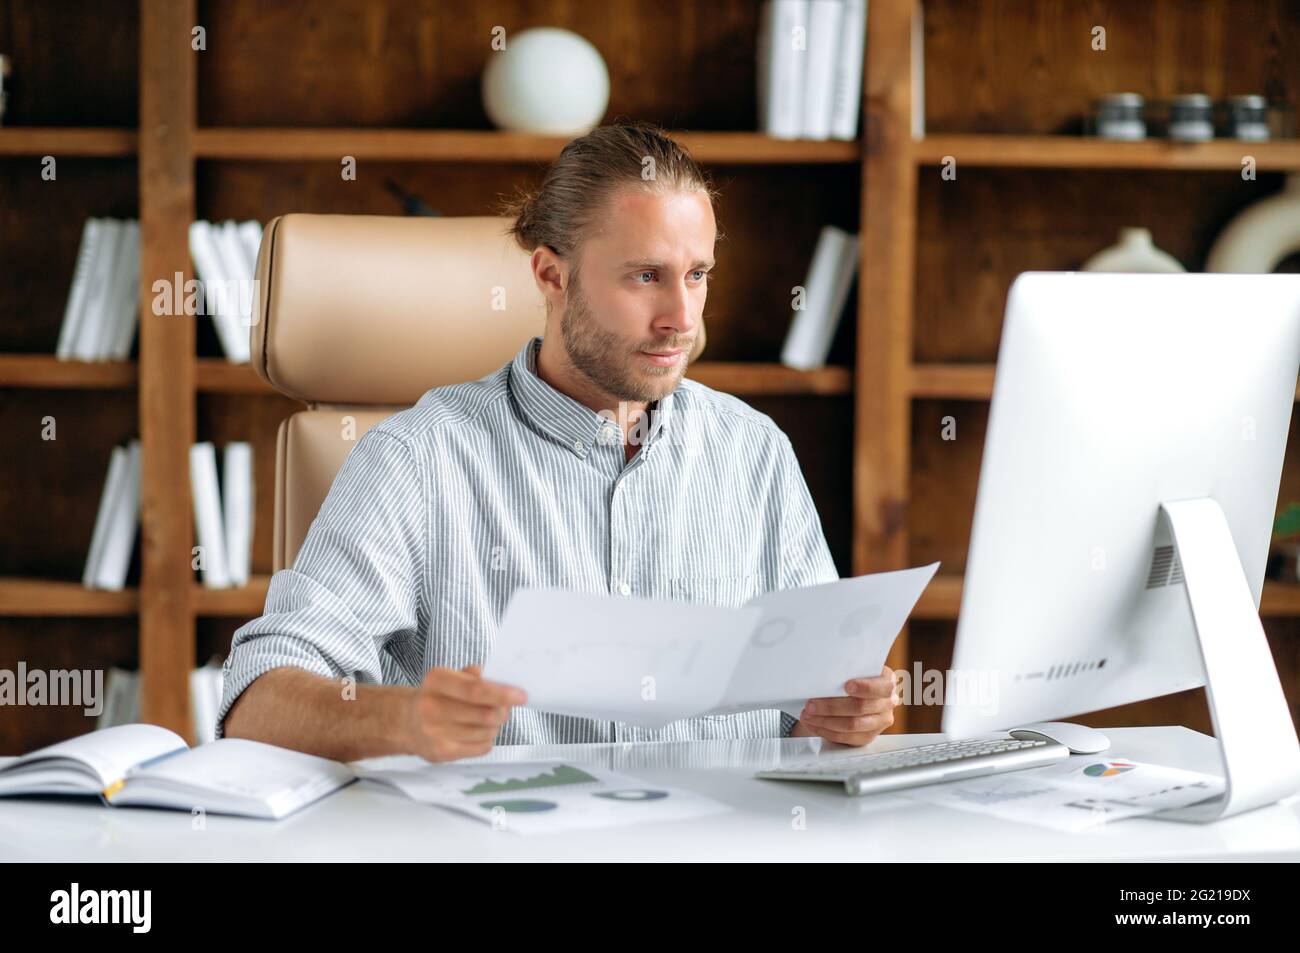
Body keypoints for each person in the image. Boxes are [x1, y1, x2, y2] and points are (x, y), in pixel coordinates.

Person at [219, 121, 899, 762]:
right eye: (646, 276)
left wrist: (838, 712)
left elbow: (810, 697)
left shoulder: (755, 452)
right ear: (551, 275)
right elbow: (254, 702)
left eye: (697, 275)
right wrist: (403, 719)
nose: (682, 319)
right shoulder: (419, 457)